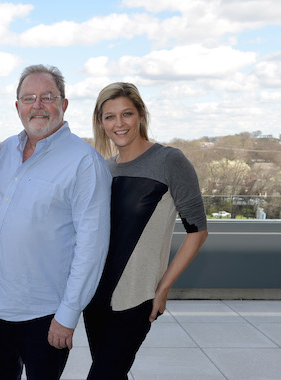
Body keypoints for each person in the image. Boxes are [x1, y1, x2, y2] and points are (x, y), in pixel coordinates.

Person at [0, 64, 112, 380]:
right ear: (17, 106)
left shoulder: (84, 162)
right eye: (28, 98)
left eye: (47, 97)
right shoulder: (6, 150)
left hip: (47, 314)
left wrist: (68, 314)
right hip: (0, 307)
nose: (37, 105)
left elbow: (92, 248)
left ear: (63, 105)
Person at [83, 82, 209, 379]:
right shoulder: (104, 168)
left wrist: (163, 288)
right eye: (109, 116)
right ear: (100, 122)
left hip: (136, 297)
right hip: (95, 297)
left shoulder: (169, 160)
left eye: (126, 113)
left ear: (141, 114)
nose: (119, 123)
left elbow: (198, 231)